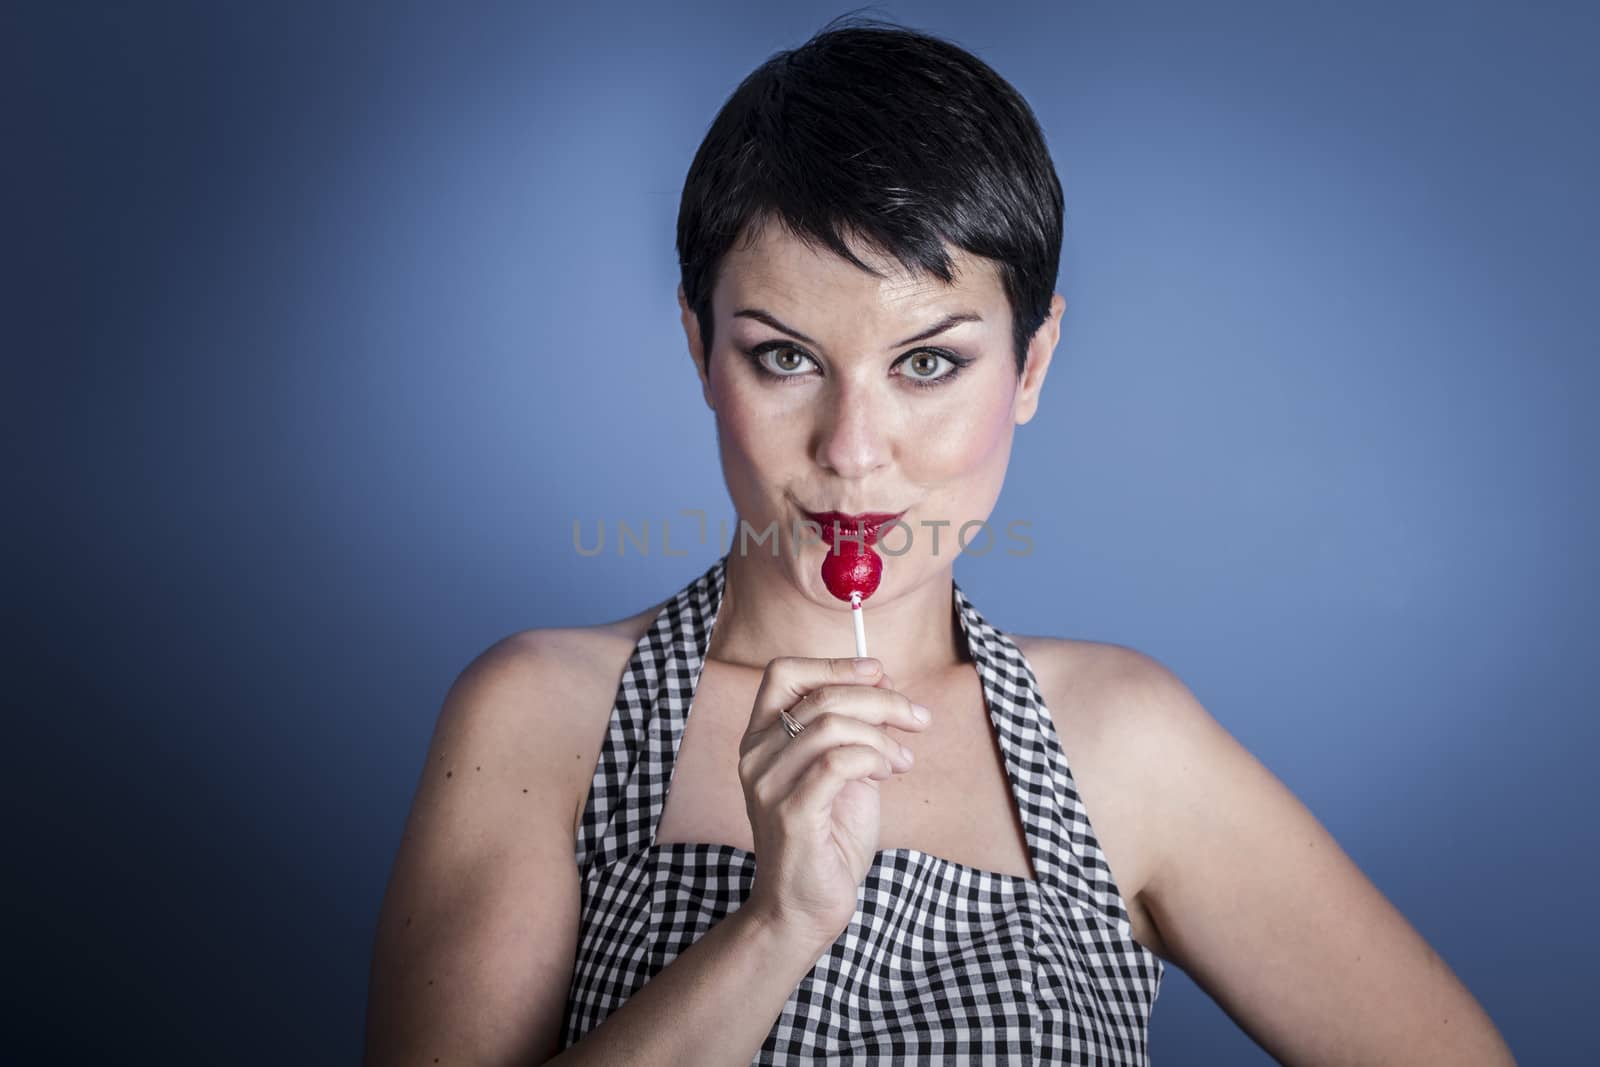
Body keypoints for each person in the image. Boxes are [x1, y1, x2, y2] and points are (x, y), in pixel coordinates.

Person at [363, 19, 1516, 1066]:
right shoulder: (542, 715)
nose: (853, 449)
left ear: (1033, 364)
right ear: (699, 348)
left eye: (928, 363)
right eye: (783, 356)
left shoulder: (1124, 743)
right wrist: (777, 927)